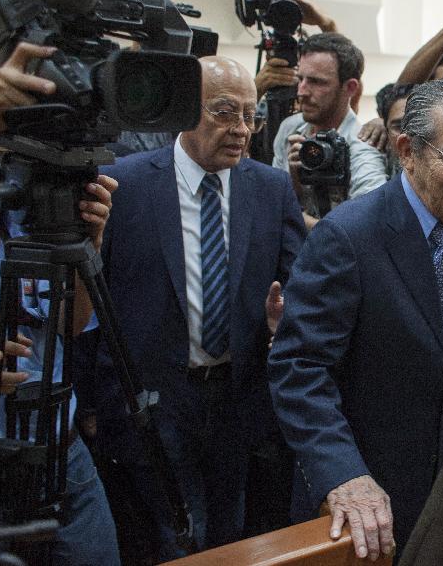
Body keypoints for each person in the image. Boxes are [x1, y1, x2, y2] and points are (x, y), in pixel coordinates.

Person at [269, 78, 443, 560]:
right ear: (407, 150)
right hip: (359, 498)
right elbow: (300, 369)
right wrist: (342, 474)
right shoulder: (347, 236)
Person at [95, 55, 306, 560]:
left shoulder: (271, 188)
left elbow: (297, 282)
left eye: (250, 116)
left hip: (237, 398)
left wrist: (285, 322)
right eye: (223, 112)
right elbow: (94, 300)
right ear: (185, 110)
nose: (241, 130)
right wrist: (90, 402)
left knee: (229, 532)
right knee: (176, 535)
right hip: (153, 403)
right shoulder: (123, 184)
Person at [0, 42, 120, 565]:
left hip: (58, 451)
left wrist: (87, 245)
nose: (7, 161)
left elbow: (72, 326)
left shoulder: (34, 226)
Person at [270, 33, 387, 229]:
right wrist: (293, 185)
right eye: (301, 79)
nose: (301, 92)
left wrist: (290, 216)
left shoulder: (363, 146)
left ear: (350, 88)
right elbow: (272, 204)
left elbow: (367, 230)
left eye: (316, 82)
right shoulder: (290, 129)